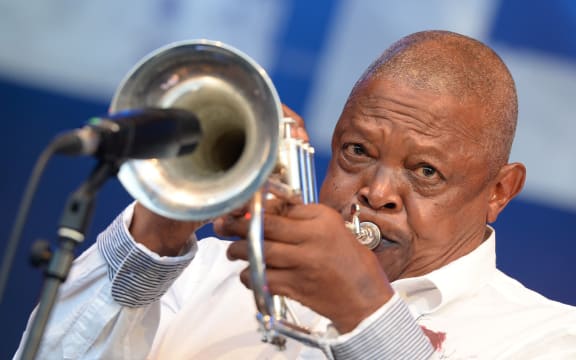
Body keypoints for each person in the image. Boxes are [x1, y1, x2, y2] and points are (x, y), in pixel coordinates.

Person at [15, 30, 576, 359]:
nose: (377, 192)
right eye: (357, 151)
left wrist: (364, 311)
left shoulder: (547, 337)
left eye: (425, 171)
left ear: (499, 190)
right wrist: (162, 228)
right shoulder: (205, 271)